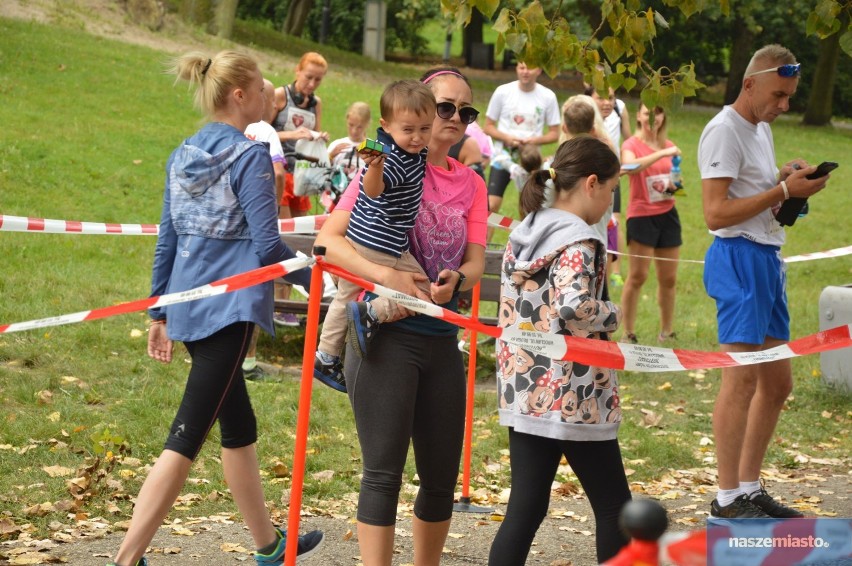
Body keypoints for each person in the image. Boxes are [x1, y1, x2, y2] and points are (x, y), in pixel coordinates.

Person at [108, 51, 322, 566]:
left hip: (188, 307)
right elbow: (270, 248)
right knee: (184, 437)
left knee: (238, 426)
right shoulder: (249, 157)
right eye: (264, 85)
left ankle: (269, 547)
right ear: (239, 96)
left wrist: (159, 311)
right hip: (226, 311)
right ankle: (126, 558)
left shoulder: (183, 152)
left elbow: (167, 239)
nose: (275, 93)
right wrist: (323, 284)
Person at [314, 67, 487, 566]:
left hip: (441, 339)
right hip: (385, 339)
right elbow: (328, 242)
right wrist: (384, 277)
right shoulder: (386, 165)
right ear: (413, 112)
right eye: (445, 106)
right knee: (383, 474)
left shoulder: (472, 183)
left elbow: (475, 262)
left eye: (465, 111)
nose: (454, 118)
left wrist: (460, 279)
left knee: (439, 479)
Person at [698, 44, 829, 519]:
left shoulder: (760, 127)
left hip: (768, 256)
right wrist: (780, 190)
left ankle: (750, 488)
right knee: (742, 378)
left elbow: (752, 191)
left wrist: (786, 181)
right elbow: (714, 214)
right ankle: (728, 497)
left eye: (790, 96)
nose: (784, 105)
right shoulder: (722, 131)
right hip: (737, 259)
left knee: (778, 383)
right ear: (750, 83)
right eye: (778, 95)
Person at [489, 136, 630, 565]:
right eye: (610, 189)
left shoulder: (527, 230)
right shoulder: (579, 240)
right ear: (591, 183)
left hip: (526, 386)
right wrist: (613, 313)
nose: (609, 200)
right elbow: (573, 305)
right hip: (574, 393)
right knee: (615, 508)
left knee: (527, 507)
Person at [312, 80, 437, 393]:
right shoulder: (390, 160)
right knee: (420, 290)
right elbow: (373, 189)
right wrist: (376, 168)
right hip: (374, 245)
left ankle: (331, 350)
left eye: (425, 128)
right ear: (387, 125)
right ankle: (358, 325)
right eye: (408, 129)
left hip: (386, 243)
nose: (418, 137)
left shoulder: (412, 151)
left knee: (352, 296)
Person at [271, 52, 330, 327]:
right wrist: (292, 135)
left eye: (317, 79)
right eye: (308, 77)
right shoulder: (280, 96)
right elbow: (262, 130)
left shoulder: (316, 103)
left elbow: (313, 135)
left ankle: (290, 305)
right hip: (278, 171)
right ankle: (278, 301)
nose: (311, 84)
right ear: (297, 71)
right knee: (284, 236)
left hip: (303, 176)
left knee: (303, 238)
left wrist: (320, 138)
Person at [619, 104, 682, 344]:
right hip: (641, 215)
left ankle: (667, 331)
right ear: (638, 116)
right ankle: (628, 332)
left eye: (658, 113)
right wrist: (662, 154)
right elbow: (628, 167)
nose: (653, 119)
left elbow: (674, 179)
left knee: (669, 279)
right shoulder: (631, 145)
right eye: (647, 113)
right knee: (638, 276)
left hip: (668, 213)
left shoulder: (668, 144)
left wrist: (675, 182)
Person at [241, 78, 289, 382]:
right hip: (258, 223)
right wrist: (274, 204)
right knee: (257, 290)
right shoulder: (267, 131)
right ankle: (247, 362)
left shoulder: (231, 127)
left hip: (231, 221)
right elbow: (279, 171)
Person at [482, 62, 561, 220]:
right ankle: (485, 243)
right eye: (521, 68)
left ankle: (525, 241)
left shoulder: (548, 96)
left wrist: (534, 140)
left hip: (530, 160)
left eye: (529, 67)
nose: (525, 72)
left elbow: (555, 133)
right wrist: (508, 138)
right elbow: (488, 127)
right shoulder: (503, 92)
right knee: (492, 205)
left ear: (538, 69)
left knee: (528, 207)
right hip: (503, 157)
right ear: (516, 69)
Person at [585, 84, 632, 286]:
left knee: (614, 223)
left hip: (612, 178)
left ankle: (614, 271)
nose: (607, 103)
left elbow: (629, 139)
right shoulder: (585, 119)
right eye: (601, 97)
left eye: (611, 98)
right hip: (590, 183)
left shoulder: (619, 110)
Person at [327, 101, 371, 180]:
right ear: (347, 120)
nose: (354, 131)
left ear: (367, 124)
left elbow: (388, 152)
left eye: (359, 127)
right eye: (351, 125)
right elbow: (322, 170)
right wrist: (331, 156)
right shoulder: (336, 145)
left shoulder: (372, 146)